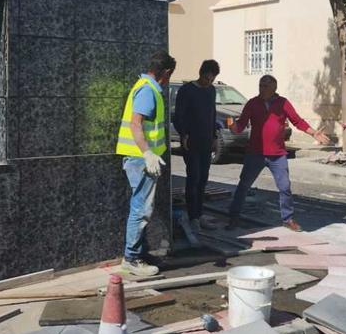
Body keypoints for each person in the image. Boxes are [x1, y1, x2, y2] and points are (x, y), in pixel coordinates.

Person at [226, 75, 331, 232]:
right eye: (260, 85)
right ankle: (233, 218)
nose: (261, 88)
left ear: (274, 88)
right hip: (256, 153)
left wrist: (314, 133)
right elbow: (240, 126)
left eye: (265, 86)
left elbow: (298, 121)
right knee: (243, 186)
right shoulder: (252, 103)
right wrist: (233, 127)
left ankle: (287, 219)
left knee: (284, 187)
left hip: (277, 154)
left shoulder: (283, 103)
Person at [116, 51, 176, 276]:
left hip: (142, 159)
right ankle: (131, 258)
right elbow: (135, 124)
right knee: (141, 209)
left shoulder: (146, 87)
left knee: (142, 207)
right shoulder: (147, 91)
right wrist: (148, 153)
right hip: (141, 160)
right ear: (166, 72)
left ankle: (137, 253)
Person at [174, 60, 220, 232]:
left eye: (212, 79)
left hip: (206, 142)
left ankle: (199, 215)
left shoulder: (211, 91)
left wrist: (214, 136)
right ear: (201, 73)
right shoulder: (186, 90)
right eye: (207, 78)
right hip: (191, 142)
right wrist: (183, 133)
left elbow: (212, 114)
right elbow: (179, 115)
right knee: (193, 178)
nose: (209, 82)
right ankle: (192, 216)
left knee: (203, 179)